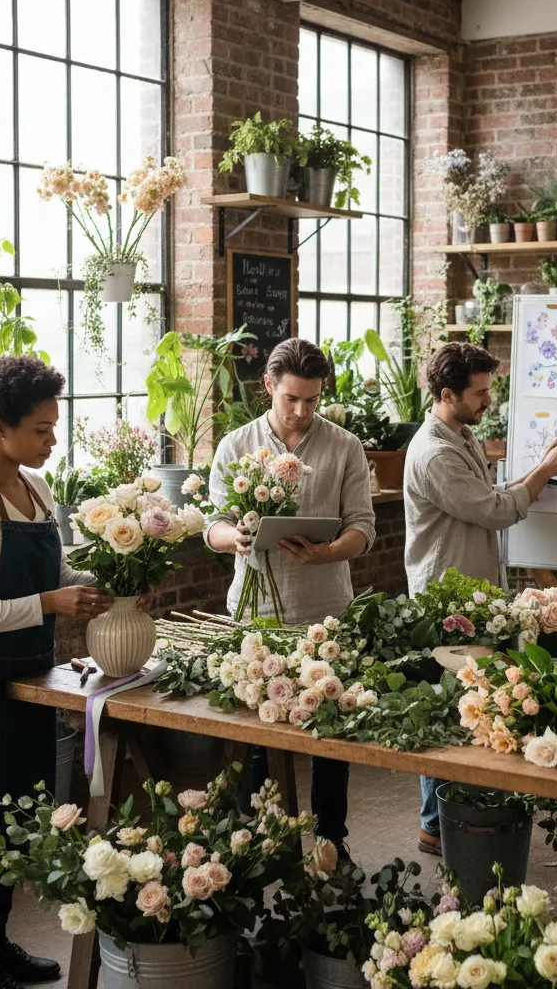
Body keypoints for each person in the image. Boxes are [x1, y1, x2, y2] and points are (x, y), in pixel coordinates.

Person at [0, 356, 115, 989]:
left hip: (28, 677)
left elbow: (52, 579)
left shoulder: (36, 489)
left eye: (54, 426)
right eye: (40, 429)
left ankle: (0, 945)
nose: (52, 440)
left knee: (17, 819)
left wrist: (99, 581)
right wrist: (48, 605)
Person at [404, 341, 557, 854]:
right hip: (445, 600)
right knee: (449, 710)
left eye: (488, 391)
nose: (487, 402)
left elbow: (494, 495)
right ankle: (435, 825)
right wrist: (544, 472)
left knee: (467, 705)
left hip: (469, 593)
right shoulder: (436, 453)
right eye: (478, 393)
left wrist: (534, 474)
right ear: (446, 394)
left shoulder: (459, 436)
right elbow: (494, 510)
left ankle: (448, 819)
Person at [206, 337, 375, 848]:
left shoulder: (344, 445)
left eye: (312, 400)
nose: (302, 411)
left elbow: (363, 529)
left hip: (326, 614)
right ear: (268, 387)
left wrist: (329, 552)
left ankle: (331, 840)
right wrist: (233, 538)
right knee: (255, 734)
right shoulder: (235, 445)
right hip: (255, 612)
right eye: (291, 399)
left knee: (332, 731)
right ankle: (258, 843)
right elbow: (211, 524)